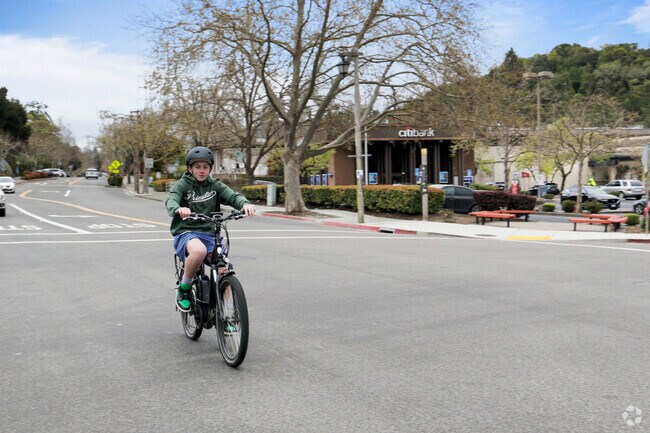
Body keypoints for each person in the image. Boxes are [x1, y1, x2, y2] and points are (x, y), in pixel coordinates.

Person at [165, 146, 256, 312]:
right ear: (190, 168)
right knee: (198, 251)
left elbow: (232, 196)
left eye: (205, 167)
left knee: (224, 270)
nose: (201, 171)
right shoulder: (182, 185)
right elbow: (171, 201)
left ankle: (228, 314)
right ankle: (184, 289)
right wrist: (178, 209)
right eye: (197, 167)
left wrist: (244, 204)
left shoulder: (215, 185)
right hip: (187, 232)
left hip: (210, 233)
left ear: (210, 168)